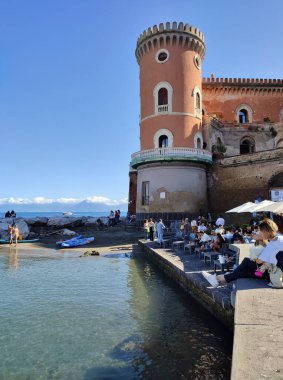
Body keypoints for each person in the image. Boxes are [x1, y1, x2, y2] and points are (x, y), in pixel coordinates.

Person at [202, 218, 283, 288]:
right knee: (244, 270)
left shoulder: (272, 244)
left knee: (247, 262)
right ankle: (219, 278)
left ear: (266, 231)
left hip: (272, 275)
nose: (259, 233)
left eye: (260, 231)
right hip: (274, 271)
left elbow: (258, 261)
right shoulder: (280, 238)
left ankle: (219, 278)